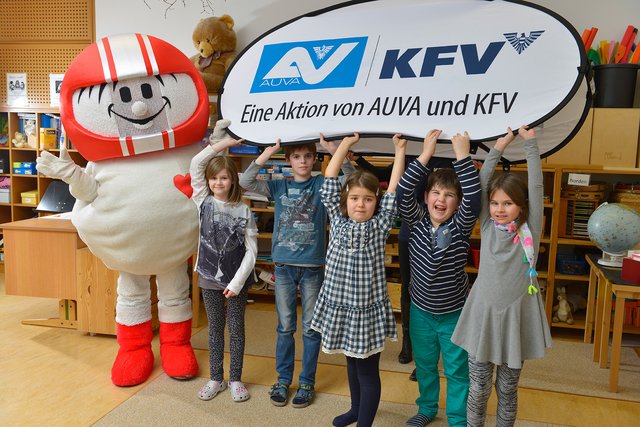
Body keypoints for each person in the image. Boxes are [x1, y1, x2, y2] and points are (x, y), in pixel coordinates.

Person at [239, 136, 355, 408]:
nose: (302, 161)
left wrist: (336, 151)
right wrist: (268, 152)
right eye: (297, 157)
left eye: (307, 156)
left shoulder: (321, 184)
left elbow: (351, 182)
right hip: (285, 266)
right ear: (289, 161)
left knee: (312, 329)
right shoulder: (279, 185)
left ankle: (306, 382)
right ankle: (282, 379)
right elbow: (245, 183)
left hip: (313, 267)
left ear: (314, 159)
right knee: (285, 327)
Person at [451, 126, 552, 427]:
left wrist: (530, 144)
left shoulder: (530, 229)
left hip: (515, 320)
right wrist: (499, 146)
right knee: (478, 390)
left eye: (507, 203)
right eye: (495, 203)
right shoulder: (485, 224)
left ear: (521, 207)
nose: (498, 209)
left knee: (507, 390)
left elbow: (536, 187)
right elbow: (480, 188)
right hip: (483, 318)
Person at [311, 132, 404, 427]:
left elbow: (394, 189)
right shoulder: (337, 220)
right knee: (350, 361)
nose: (360, 205)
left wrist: (399, 151)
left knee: (366, 369)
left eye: (367, 199)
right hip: (339, 306)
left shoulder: (380, 224)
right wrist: (345, 147)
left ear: (376, 202)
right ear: (345, 200)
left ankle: (365, 422)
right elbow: (329, 177)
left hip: (365, 312)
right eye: (354, 199)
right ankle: (355, 409)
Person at [397, 129, 481, 427]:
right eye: (436, 193)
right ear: (426, 197)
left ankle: (457, 417)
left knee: (458, 370)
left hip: (454, 314)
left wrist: (462, 155)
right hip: (421, 311)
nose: (441, 200)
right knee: (425, 365)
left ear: (457, 203)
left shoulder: (460, 226)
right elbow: (402, 192)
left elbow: (474, 198)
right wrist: (424, 154)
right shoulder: (416, 220)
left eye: (449, 195)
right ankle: (427, 408)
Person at [353, 153, 453, 381]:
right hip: (411, 233)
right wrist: (358, 158)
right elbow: (382, 175)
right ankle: (409, 345)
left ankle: (429, 356)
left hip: (441, 234)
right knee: (409, 289)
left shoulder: (447, 161)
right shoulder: (409, 157)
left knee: (435, 294)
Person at [191, 121, 257, 403]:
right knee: (215, 328)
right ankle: (216, 378)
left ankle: (236, 379)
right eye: (214, 178)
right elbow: (196, 162)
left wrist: (237, 282)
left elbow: (252, 251)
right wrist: (225, 145)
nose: (218, 183)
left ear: (233, 181)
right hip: (208, 277)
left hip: (237, 280)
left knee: (237, 328)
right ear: (208, 181)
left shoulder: (244, 209)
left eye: (224, 178)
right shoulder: (202, 201)